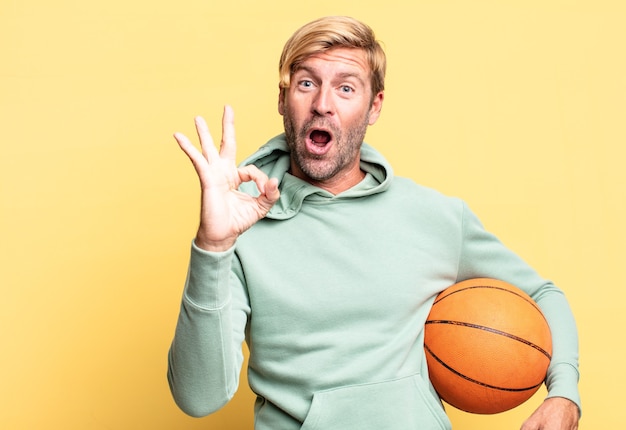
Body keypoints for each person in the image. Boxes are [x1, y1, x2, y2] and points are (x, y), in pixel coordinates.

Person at [167, 16, 581, 430]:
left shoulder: (434, 216)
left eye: (346, 88)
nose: (323, 104)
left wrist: (564, 392)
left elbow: (542, 293)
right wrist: (213, 247)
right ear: (283, 98)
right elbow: (199, 397)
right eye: (307, 83)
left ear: (374, 106)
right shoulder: (239, 224)